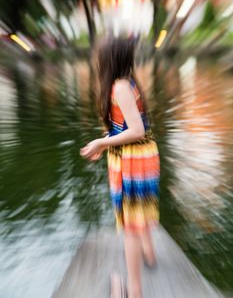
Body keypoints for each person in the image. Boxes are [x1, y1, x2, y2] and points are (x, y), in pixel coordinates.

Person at [80, 36, 160, 298]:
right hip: (141, 157)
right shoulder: (129, 82)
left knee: (130, 227)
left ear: (108, 60)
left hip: (132, 162)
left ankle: (133, 291)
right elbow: (127, 128)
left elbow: (136, 131)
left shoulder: (119, 88)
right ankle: (149, 251)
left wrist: (99, 143)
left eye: (100, 57)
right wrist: (103, 144)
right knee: (139, 213)